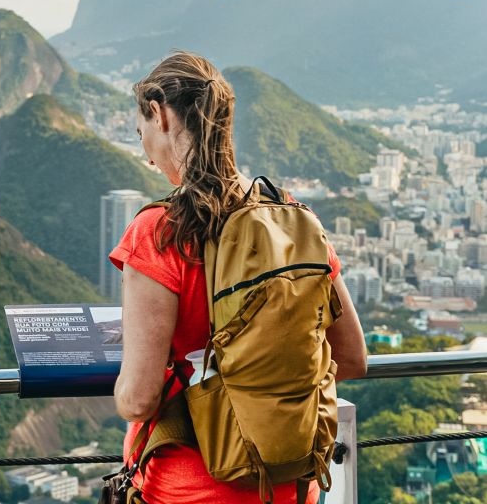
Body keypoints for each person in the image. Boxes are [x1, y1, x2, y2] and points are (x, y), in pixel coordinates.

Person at [110, 52, 368, 504]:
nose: (147, 156)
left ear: (160, 113)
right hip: (289, 485)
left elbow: (137, 400)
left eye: (142, 135)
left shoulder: (159, 231)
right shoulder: (293, 219)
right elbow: (350, 358)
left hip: (188, 489)